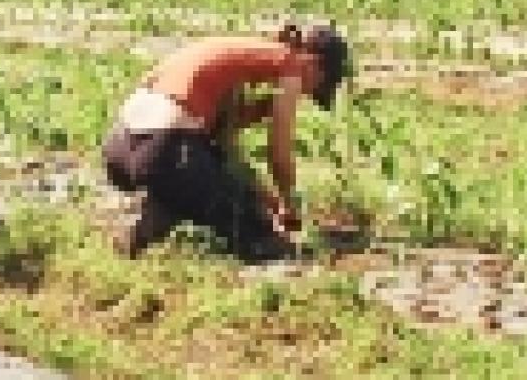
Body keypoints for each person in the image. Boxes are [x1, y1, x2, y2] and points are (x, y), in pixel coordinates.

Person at [101, 22, 349, 261]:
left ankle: (148, 225)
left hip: (121, 148)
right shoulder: (292, 64)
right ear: (314, 64)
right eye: (315, 88)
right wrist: (288, 203)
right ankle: (258, 241)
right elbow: (279, 156)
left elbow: (224, 151)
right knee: (252, 224)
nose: (306, 94)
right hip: (165, 150)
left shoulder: (238, 53)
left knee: (200, 182)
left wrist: (266, 197)